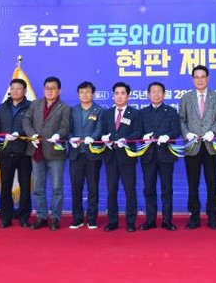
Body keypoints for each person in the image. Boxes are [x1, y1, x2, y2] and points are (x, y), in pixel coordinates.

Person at [179, 65, 216, 230]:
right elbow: (182, 120)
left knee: (212, 183)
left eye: (203, 76)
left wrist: (213, 131)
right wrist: (187, 133)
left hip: (210, 146)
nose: (200, 80)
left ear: (208, 78)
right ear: (193, 79)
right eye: (197, 77)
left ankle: (213, 216)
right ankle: (194, 216)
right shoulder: (186, 98)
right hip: (192, 147)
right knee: (193, 184)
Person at [23, 76, 71, 231]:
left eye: (53, 88)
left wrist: (58, 135)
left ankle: (55, 217)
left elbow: (65, 127)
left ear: (59, 90)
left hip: (55, 152)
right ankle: (41, 216)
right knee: (38, 187)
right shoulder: (35, 104)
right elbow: (26, 121)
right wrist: (31, 134)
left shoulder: (65, 107)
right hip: (37, 150)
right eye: (47, 88)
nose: (50, 91)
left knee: (57, 188)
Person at [139, 81, 182, 231]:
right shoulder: (142, 113)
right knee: (149, 188)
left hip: (166, 156)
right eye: (153, 92)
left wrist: (167, 136)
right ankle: (150, 220)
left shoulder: (171, 111)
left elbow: (177, 130)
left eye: (159, 92)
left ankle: (167, 220)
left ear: (164, 94)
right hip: (148, 156)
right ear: (148, 94)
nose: (156, 94)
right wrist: (143, 136)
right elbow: (137, 131)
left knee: (167, 189)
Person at [100, 82, 142, 232]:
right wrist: (104, 137)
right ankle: (112, 221)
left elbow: (138, 132)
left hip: (127, 157)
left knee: (130, 190)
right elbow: (102, 131)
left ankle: (130, 222)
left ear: (128, 96)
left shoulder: (135, 113)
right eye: (116, 93)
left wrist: (126, 139)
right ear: (113, 95)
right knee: (111, 190)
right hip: (110, 156)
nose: (119, 96)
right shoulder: (107, 113)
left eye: (123, 93)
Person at [0, 78, 32, 228]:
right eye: (13, 88)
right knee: (5, 185)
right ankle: (6, 216)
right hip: (6, 152)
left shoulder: (31, 107)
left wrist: (20, 133)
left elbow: (33, 127)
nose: (15, 91)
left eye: (19, 88)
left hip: (24, 152)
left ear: (25, 91)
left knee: (25, 185)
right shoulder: (2, 107)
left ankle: (24, 217)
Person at [68, 81, 104, 229]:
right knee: (76, 188)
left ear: (93, 94)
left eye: (88, 92)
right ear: (78, 94)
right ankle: (77, 218)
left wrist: (93, 138)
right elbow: (68, 129)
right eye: (82, 92)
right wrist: (71, 138)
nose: (85, 94)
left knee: (93, 187)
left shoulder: (99, 110)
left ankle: (92, 218)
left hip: (92, 154)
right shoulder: (73, 110)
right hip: (76, 154)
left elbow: (100, 129)